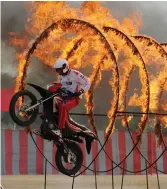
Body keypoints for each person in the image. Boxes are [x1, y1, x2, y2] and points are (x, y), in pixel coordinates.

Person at [47, 58, 91, 138]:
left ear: (65, 67)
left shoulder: (75, 74)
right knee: (50, 98)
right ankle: (49, 120)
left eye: (59, 70)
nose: (58, 72)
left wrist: (81, 91)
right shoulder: (61, 76)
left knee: (62, 106)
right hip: (64, 96)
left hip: (74, 98)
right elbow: (63, 85)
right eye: (57, 70)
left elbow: (88, 82)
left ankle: (60, 129)